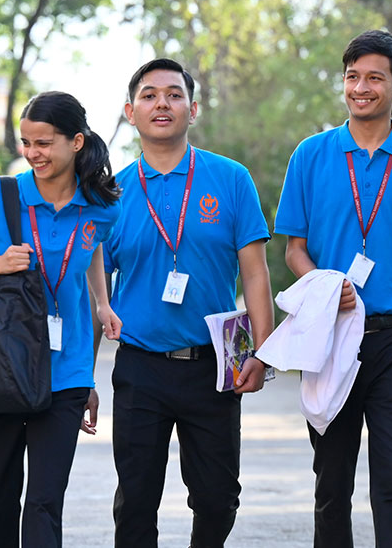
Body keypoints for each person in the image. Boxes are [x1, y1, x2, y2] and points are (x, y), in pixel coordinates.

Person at [273, 29, 392, 547]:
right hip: (329, 339)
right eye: (352, 77)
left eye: (374, 78)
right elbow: (293, 250)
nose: (360, 88)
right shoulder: (311, 154)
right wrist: (327, 289)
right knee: (332, 482)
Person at [104, 58, 273, 548]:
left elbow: (255, 271)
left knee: (218, 499)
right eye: (149, 95)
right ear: (130, 112)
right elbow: (95, 291)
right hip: (139, 368)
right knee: (135, 502)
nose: (162, 103)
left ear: (192, 109)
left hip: (213, 366)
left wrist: (263, 352)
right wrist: (81, 379)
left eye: (174, 95)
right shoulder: (110, 195)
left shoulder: (231, 178)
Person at [0, 91, 121, 548]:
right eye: (26, 143)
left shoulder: (102, 206)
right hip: (0, 367)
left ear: (76, 142)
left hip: (65, 373)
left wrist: (101, 302)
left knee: (46, 501)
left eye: (43, 143)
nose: (32, 153)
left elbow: (89, 249)